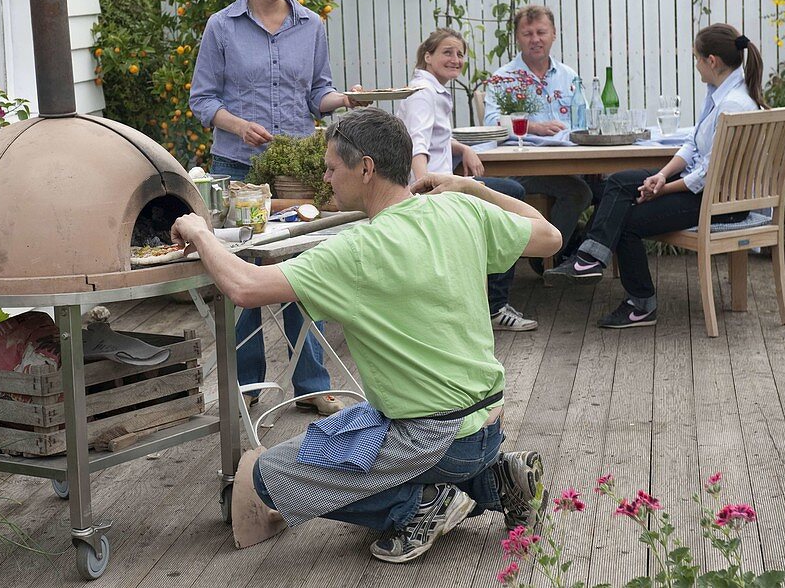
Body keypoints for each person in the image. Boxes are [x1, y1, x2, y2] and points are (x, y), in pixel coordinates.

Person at [171, 108, 563, 562]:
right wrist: (475, 188)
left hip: (432, 439)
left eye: (332, 168)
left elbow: (244, 287)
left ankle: (419, 505)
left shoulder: (356, 250)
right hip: (488, 424)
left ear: (366, 167)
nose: (326, 178)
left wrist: (200, 232)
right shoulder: (461, 209)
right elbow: (550, 236)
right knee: (347, 428)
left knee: (269, 477)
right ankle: (497, 480)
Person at [189, 0, 361, 416]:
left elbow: (318, 95)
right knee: (240, 277)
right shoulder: (222, 27)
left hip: (296, 173)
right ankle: (247, 387)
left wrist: (345, 100)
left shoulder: (311, 26)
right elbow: (203, 100)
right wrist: (238, 125)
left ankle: (312, 384)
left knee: (300, 273)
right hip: (237, 169)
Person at [545, 24, 767, 328]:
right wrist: (661, 176)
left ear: (712, 61)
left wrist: (662, 190)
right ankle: (590, 259)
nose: (697, 65)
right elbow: (692, 146)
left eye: (697, 59)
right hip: (704, 189)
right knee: (620, 181)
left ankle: (640, 305)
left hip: (718, 200)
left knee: (626, 220)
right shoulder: (720, 93)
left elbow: (706, 174)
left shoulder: (733, 105)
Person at [397, 28, 536, 332]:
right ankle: (496, 307)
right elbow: (415, 144)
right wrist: (424, 191)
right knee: (511, 198)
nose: (455, 59)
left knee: (508, 193)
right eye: (447, 52)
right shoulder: (423, 93)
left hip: (442, 182)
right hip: (435, 188)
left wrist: (462, 148)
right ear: (428, 56)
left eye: (460, 54)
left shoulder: (432, 89)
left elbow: (434, 137)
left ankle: (490, 300)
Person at [484, 5, 594, 269]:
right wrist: (534, 127)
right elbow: (490, 123)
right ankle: (545, 257)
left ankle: (580, 255)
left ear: (553, 34)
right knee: (579, 193)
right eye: (527, 33)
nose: (535, 39)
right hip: (521, 169)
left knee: (613, 188)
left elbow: (585, 122)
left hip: (570, 165)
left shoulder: (569, 76)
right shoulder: (503, 78)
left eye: (541, 32)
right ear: (518, 38)